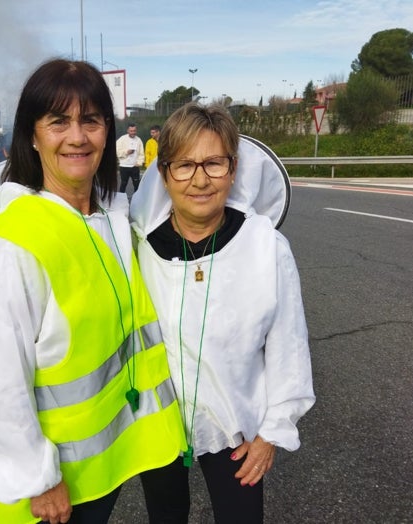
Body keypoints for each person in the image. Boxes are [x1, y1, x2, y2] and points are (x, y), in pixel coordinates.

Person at [0, 58, 186, 524]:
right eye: (58, 122)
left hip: (127, 449)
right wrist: (36, 478)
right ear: (31, 136)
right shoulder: (10, 245)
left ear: (108, 133)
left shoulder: (112, 219)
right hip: (59, 484)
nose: (77, 137)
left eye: (90, 121)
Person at [130, 103, 315, 523]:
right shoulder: (140, 248)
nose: (199, 179)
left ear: (233, 169)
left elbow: (289, 345)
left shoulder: (265, 248)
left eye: (214, 163)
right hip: (158, 423)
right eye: (184, 165)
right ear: (164, 173)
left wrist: (272, 433)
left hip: (235, 425)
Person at [116, 123, 144, 193]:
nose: (133, 132)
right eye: (131, 131)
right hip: (124, 166)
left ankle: (137, 201)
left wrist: (139, 163)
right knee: (123, 184)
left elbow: (141, 153)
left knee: (137, 184)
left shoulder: (138, 140)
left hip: (134, 166)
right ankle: (121, 200)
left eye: (134, 131)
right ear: (127, 131)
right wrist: (126, 152)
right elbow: (117, 151)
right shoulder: (122, 139)